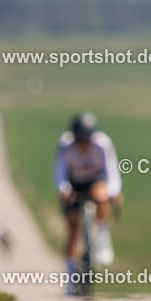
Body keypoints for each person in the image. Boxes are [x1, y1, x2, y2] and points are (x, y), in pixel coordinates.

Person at [55, 112, 122, 282]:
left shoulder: (102, 144)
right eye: (79, 140)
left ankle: (102, 238)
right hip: (74, 182)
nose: (83, 144)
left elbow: (111, 170)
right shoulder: (65, 145)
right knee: (72, 223)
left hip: (95, 180)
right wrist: (64, 190)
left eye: (86, 140)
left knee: (100, 196)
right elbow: (60, 172)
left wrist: (113, 192)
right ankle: (70, 273)